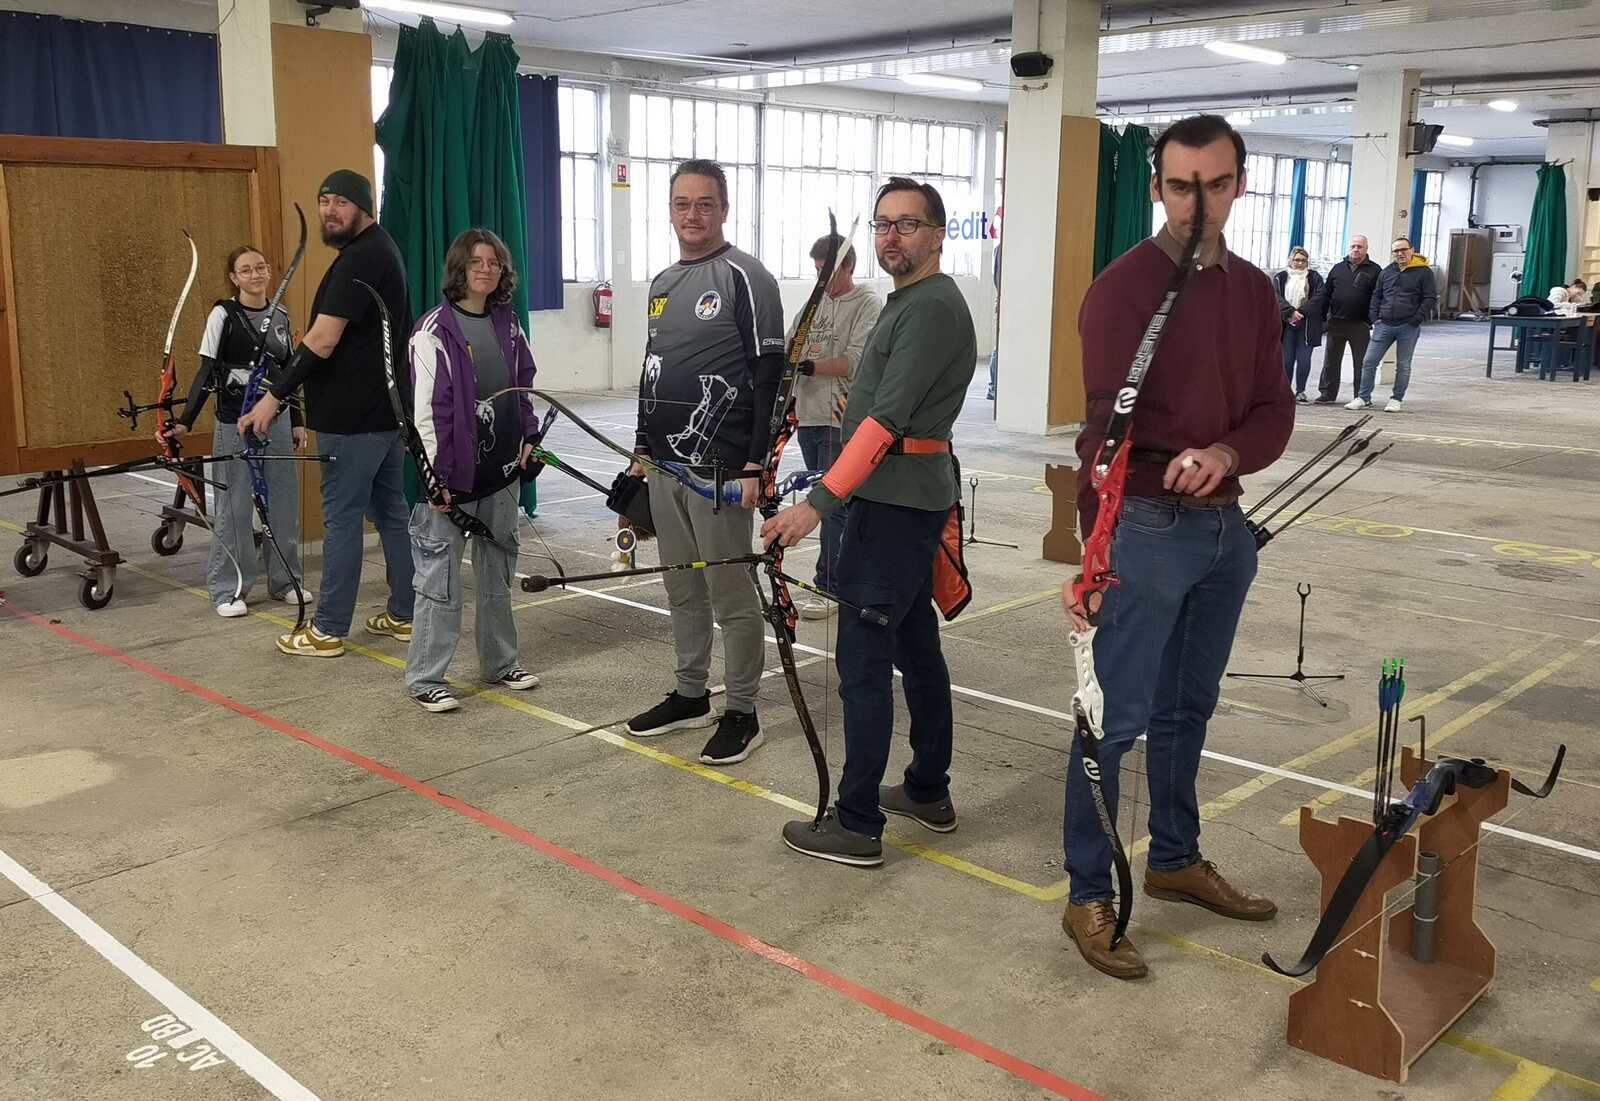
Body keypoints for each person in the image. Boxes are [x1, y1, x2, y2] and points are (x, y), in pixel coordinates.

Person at [1061, 114, 1293, 979]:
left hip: (1225, 530)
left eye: (1217, 184)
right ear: (1158, 187)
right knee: (1111, 720)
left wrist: (1227, 453)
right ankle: (1088, 892)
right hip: (1146, 529)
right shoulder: (1122, 290)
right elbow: (1101, 433)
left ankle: (1174, 857)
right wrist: (1094, 551)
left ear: (1239, 185)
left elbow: (1273, 408)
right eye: (1183, 185)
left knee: (1187, 708)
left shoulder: (1255, 291)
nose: (1200, 202)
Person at [763, 176, 976, 867]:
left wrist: (815, 505)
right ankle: (927, 788)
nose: (891, 236)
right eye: (883, 223)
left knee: (862, 663)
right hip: (898, 501)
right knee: (916, 649)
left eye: (908, 224)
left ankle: (856, 824)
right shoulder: (908, 302)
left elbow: (885, 422)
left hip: (892, 508)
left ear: (937, 234)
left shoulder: (930, 307)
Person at [623, 158, 785, 766]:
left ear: (724, 209)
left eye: (705, 203)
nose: (692, 214)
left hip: (721, 471)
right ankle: (691, 694)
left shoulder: (746, 276)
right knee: (682, 587)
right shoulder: (662, 283)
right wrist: (642, 448)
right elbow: (653, 368)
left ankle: (742, 710)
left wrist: (755, 464)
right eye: (682, 203)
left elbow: (769, 375)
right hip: (664, 465)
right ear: (670, 211)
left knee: (730, 593)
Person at [239, 169, 415, 657]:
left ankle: (327, 629)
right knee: (391, 513)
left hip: (354, 420)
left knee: (342, 519)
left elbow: (322, 339)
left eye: (340, 202)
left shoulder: (360, 257)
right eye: (324, 201)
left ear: (364, 207)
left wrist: (272, 398)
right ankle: (405, 613)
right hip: (382, 415)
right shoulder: (378, 250)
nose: (329, 210)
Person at [403, 228, 541, 712]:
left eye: (494, 262)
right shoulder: (432, 331)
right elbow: (427, 412)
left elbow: (523, 386)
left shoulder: (508, 324)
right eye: (477, 261)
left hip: (500, 474)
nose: (486, 269)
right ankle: (426, 678)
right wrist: (435, 478)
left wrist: (529, 436)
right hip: (450, 482)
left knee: (497, 575)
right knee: (438, 583)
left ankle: (501, 663)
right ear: (459, 268)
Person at [162, 244, 307, 617]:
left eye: (260, 267)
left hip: (276, 422)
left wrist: (298, 421)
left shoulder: (280, 315)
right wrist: (185, 421)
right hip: (234, 422)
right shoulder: (223, 315)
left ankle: (285, 581)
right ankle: (229, 588)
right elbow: (206, 371)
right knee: (235, 507)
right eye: (246, 270)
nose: (255, 275)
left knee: (283, 505)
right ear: (234, 278)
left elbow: (290, 373)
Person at [790, 232, 882, 619]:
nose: (822, 281)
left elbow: (856, 362)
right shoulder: (814, 303)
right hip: (808, 417)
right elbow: (791, 343)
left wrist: (810, 366)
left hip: (839, 419)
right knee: (826, 500)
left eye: (828, 273)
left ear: (849, 267)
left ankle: (829, 587)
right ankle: (842, 579)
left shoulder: (867, 304)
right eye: (817, 272)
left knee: (832, 505)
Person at [1346, 236, 1436, 413]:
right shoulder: (1387, 271)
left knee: (1403, 365)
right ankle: (1363, 397)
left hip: (1408, 326)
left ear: (1412, 250)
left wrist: (1417, 319)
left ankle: (1396, 399)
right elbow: (1377, 295)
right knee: (1369, 362)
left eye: (1403, 250)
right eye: (1396, 251)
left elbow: (1429, 298)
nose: (1400, 253)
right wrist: (1375, 318)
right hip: (1384, 325)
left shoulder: (1424, 272)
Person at [1310, 235, 1381, 404]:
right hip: (1336, 322)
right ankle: (1327, 394)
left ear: (1366, 249)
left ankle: (1361, 396)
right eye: (1353, 246)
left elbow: (1379, 296)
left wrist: (1372, 319)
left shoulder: (1375, 270)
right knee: (1331, 361)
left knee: (1361, 362)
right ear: (1348, 248)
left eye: (1360, 247)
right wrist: (1323, 319)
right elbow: (1326, 294)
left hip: (1360, 324)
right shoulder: (1338, 268)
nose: (1356, 249)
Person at [1274, 245, 1323, 402]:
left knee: (1304, 360)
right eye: (1297, 260)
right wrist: (1290, 312)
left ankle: (1301, 391)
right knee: (1286, 360)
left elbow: (1319, 297)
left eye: (1303, 260)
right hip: (1286, 324)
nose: (1300, 263)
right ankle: (1285, 391)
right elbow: (1276, 296)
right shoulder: (1280, 277)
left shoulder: (1314, 277)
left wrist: (1301, 312)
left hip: (1307, 325)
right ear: (1290, 260)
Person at [987, 241, 1001, 401]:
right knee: (1000, 347)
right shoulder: (1001, 249)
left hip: (1003, 299)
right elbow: (998, 279)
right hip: (1004, 300)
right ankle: (993, 388)